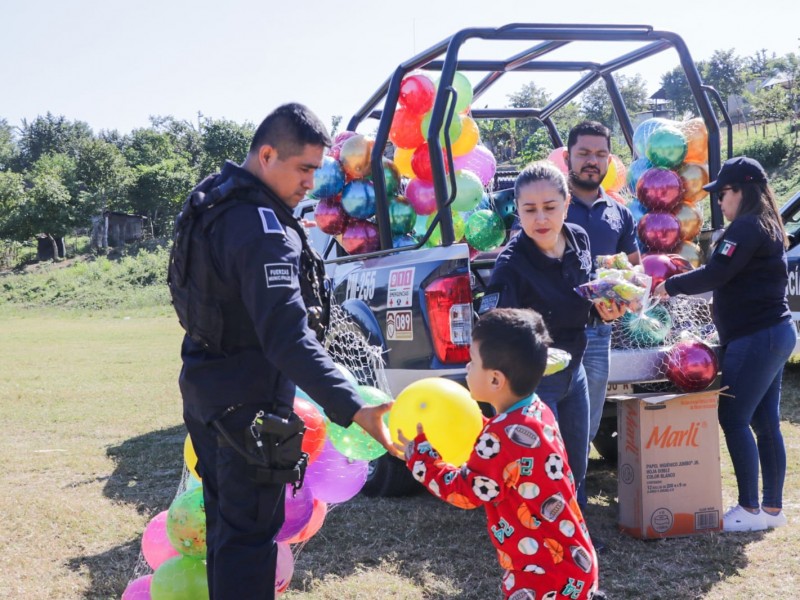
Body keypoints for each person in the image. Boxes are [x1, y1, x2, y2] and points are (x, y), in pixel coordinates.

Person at [170, 103, 397, 599]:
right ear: (267, 155)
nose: (311, 184)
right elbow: (286, 336)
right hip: (245, 407)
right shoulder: (259, 227)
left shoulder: (213, 201)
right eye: (305, 169)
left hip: (208, 389)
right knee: (249, 541)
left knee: (230, 534)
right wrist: (353, 405)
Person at [397, 308, 600, 599]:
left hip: (544, 574)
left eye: (472, 361)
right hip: (572, 560)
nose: (467, 368)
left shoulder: (502, 435)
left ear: (495, 380)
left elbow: (466, 492)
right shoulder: (535, 410)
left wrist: (421, 458)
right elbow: (508, 453)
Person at [654, 156, 795, 532]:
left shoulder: (746, 227)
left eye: (724, 193)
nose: (720, 201)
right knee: (765, 422)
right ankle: (771, 509)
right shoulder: (765, 224)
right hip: (773, 333)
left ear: (743, 190)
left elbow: (718, 273)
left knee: (733, 417)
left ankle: (749, 510)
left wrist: (670, 285)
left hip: (757, 337)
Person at [479, 161, 624, 513]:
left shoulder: (579, 237)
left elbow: (585, 294)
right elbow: (491, 328)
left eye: (550, 208)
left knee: (576, 463)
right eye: (529, 210)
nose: (540, 218)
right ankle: (545, 547)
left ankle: (578, 536)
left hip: (575, 372)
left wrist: (604, 308)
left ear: (567, 203)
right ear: (518, 211)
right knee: (546, 468)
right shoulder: (510, 265)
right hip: (536, 382)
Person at [563, 121, 640, 510]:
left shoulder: (620, 214)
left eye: (599, 155)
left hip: (599, 335)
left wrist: (628, 293)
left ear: (609, 161)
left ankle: (569, 511)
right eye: (584, 154)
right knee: (554, 426)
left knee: (587, 426)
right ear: (567, 158)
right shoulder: (552, 205)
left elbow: (634, 271)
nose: (592, 162)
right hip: (555, 335)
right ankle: (553, 509)